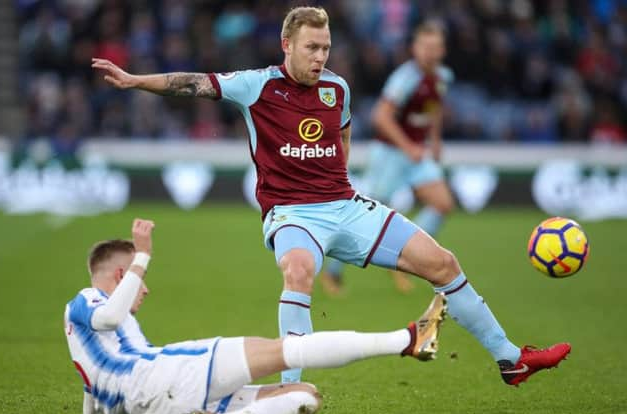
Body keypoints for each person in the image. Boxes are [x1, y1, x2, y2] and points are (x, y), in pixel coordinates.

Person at [92, 6, 570, 387]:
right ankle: (289, 387)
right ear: (287, 46)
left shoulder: (336, 88)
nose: (319, 57)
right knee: (298, 270)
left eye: (325, 47)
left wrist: (339, 181)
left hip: (344, 205)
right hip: (292, 214)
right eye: (310, 47)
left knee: (443, 263)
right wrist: (135, 81)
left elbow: (341, 140)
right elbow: (193, 83)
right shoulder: (255, 86)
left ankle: (510, 359)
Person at [63, 218, 447, 414]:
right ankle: (407, 339)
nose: (143, 289)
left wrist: (94, 413)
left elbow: (91, 393)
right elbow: (110, 315)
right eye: (136, 278)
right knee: (286, 350)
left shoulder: (94, 338)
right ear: (119, 275)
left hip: (150, 408)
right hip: (163, 376)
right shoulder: (89, 300)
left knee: (305, 395)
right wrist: (141, 256)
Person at [322, 21, 455, 295]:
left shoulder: (442, 76)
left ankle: (407, 260)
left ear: (442, 50)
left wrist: (436, 140)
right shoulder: (405, 78)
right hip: (391, 155)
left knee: (442, 203)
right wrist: (408, 146)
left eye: (436, 47)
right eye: (425, 46)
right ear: (415, 49)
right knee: (362, 216)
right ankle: (332, 272)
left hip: (416, 153)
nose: (431, 52)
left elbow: (434, 108)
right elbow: (380, 116)